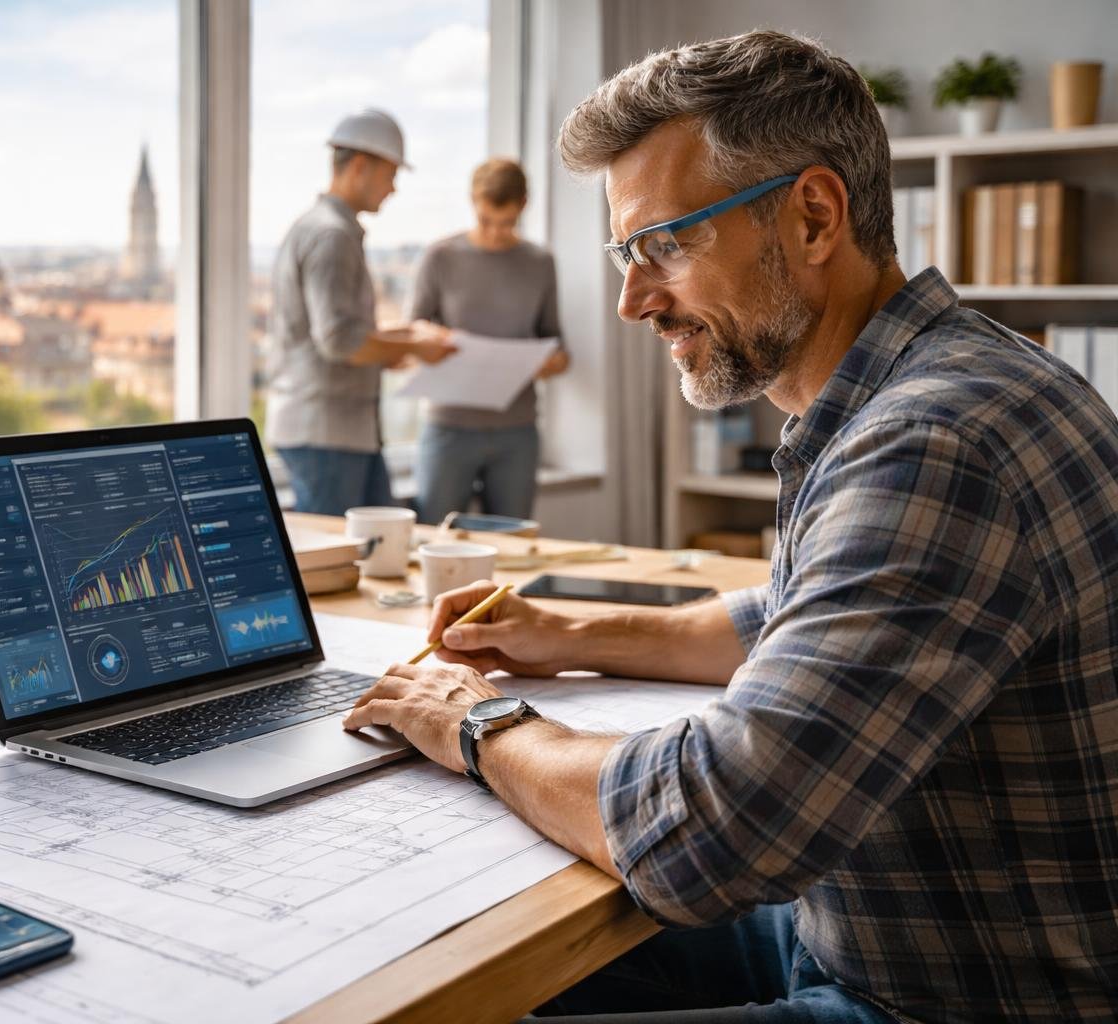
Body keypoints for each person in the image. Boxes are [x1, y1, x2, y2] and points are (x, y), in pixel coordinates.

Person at [342, 29, 1118, 1023]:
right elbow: (808, 616)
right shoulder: (937, 383)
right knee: (445, 948)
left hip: (947, 992)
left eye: (664, 245)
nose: (631, 299)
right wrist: (568, 631)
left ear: (812, 216)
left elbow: (718, 826)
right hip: (874, 919)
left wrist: (474, 720)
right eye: (626, 253)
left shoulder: (935, 441)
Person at [264, 108, 456, 515]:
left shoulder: (327, 230)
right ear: (361, 167)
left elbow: (342, 330)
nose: (393, 189)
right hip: (325, 434)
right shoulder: (330, 236)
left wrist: (406, 336)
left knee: (378, 549)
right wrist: (416, 349)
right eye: (391, 174)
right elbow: (340, 342)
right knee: (340, 561)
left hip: (343, 432)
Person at [406, 158, 569, 523]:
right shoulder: (440, 257)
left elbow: (558, 347)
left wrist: (548, 363)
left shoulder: (540, 262)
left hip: (517, 431)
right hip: (448, 428)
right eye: (486, 221)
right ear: (473, 202)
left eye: (507, 223)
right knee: (434, 535)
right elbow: (412, 331)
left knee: (512, 544)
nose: (496, 233)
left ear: (523, 207)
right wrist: (435, 338)